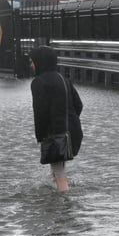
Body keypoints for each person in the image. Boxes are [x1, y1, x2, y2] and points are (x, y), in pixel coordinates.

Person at [29, 46, 83, 192]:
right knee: (58, 169)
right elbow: (79, 105)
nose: (31, 65)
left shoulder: (38, 82)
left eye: (33, 61)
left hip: (57, 135)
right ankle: (57, 201)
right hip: (72, 132)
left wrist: (40, 136)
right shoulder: (63, 79)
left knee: (59, 176)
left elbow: (40, 112)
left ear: (40, 62)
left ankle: (63, 209)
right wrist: (70, 123)